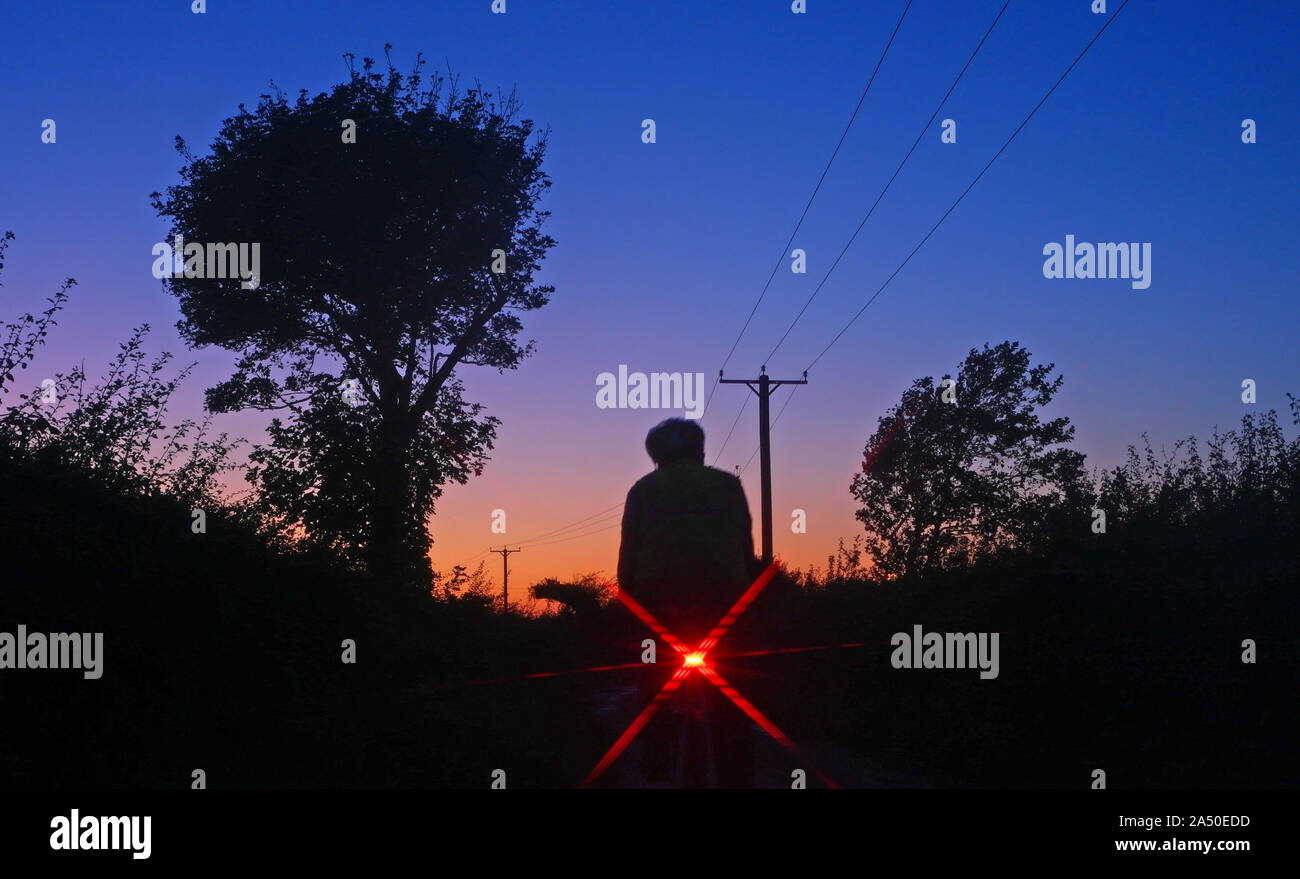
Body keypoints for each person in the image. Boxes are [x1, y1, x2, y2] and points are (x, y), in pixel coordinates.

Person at [617, 417, 758, 787]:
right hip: (724, 603)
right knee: (730, 693)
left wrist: (630, 606)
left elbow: (627, 562)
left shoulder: (643, 490)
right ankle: (737, 771)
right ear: (701, 450)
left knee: (653, 674)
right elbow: (746, 551)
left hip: (658, 602)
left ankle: (656, 754)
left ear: (655, 456)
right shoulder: (728, 485)